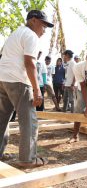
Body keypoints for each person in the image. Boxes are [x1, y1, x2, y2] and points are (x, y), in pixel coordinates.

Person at [0, 10, 53, 167]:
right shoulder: (31, 36)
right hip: (18, 81)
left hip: (3, 80)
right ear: (34, 20)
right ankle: (27, 159)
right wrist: (37, 89)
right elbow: (29, 63)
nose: (44, 31)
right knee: (29, 121)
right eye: (43, 26)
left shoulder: (16, 33)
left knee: (2, 120)